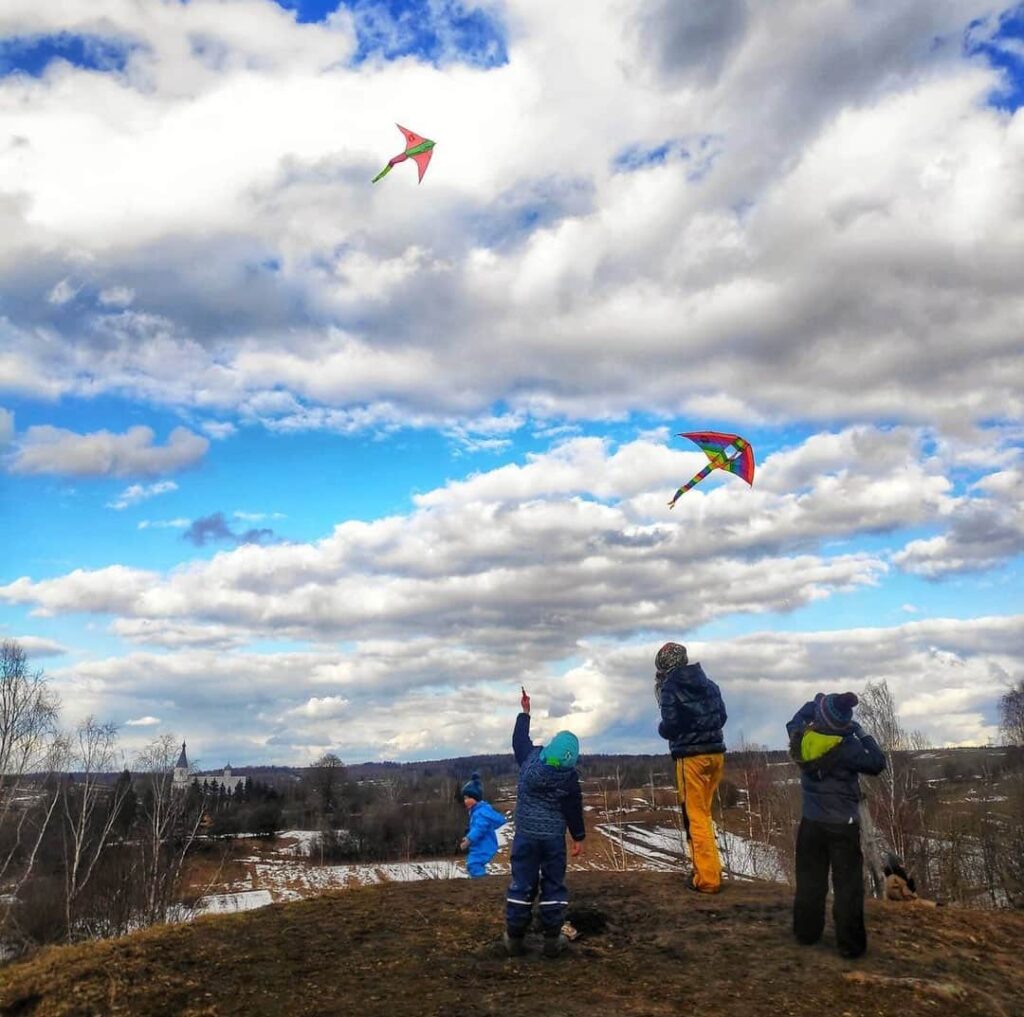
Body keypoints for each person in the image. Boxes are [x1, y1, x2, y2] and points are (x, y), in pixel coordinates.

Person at [786, 692, 886, 958]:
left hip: (811, 823)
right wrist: (863, 733)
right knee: (848, 887)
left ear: (820, 715)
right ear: (845, 723)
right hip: (843, 825)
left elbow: (795, 720)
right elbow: (877, 763)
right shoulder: (849, 746)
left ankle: (806, 934)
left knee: (810, 881)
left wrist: (816, 704)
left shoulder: (802, 738)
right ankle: (851, 946)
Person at [505, 686, 586, 959]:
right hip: (552, 839)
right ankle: (552, 939)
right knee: (553, 884)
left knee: (522, 883)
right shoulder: (569, 779)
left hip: (526, 836)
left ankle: (514, 938)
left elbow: (519, 739)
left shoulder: (529, 761)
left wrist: (525, 713)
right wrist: (578, 837)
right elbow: (573, 809)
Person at [655, 642, 727, 893]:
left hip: (690, 758)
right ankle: (710, 869)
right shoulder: (710, 685)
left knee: (694, 816)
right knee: (705, 814)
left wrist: (662, 729)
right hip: (716, 755)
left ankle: (707, 879)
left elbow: (671, 725)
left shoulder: (670, 688)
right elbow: (722, 717)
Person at [459, 772, 507, 878]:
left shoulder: (481, 812)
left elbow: (479, 828)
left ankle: (480, 883)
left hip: (484, 843)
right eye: (464, 798)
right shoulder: (477, 811)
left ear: (476, 798)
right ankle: (478, 880)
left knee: (474, 864)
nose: (465, 801)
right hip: (479, 843)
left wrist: (469, 839)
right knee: (473, 864)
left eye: (468, 798)